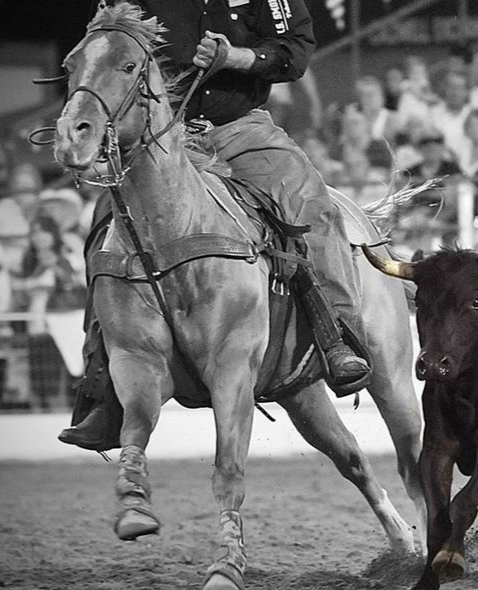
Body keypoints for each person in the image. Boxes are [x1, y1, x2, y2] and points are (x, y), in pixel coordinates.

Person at [62, 0, 370, 451]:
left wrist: (236, 57)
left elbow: (294, 52)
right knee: (105, 228)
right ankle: (101, 387)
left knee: (309, 204)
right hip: (165, 134)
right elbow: (107, 41)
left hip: (242, 129)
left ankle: (338, 337)